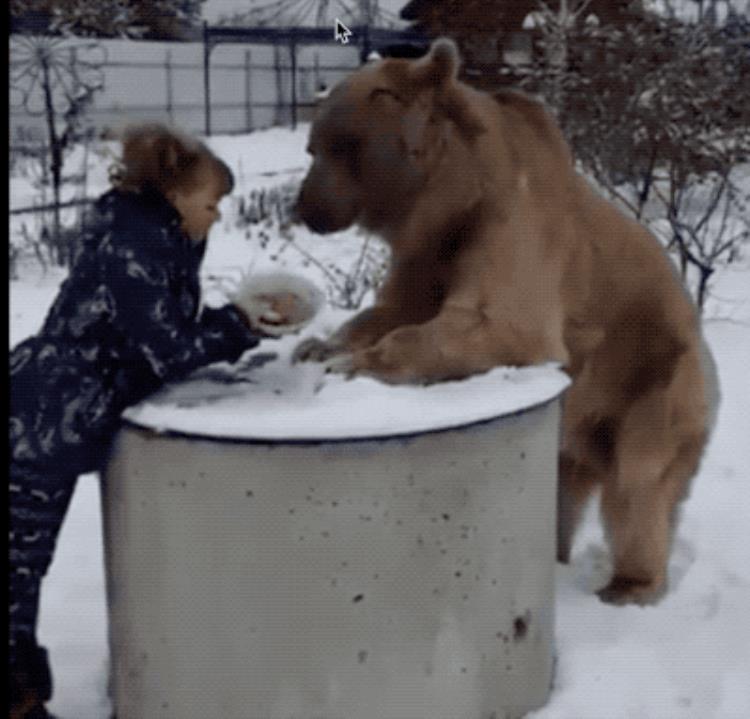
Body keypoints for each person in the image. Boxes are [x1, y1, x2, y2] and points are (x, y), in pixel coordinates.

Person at [9, 123, 269, 718]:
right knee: (15, 573)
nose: (219, 216)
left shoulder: (153, 239)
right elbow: (170, 349)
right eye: (213, 204)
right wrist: (242, 324)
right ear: (176, 197)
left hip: (55, 415)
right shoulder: (135, 250)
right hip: (41, 422)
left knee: (20, 573)